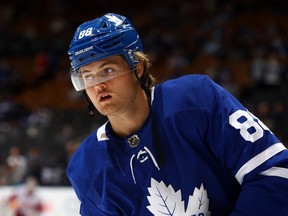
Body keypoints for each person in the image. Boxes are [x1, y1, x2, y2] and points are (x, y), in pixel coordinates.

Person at [66, 13, 288, 215]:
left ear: (138, 67)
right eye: (87, 76)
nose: (98, 85)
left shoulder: (193, 99)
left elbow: (274, 170)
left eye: (108, 70)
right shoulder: (88, 166)